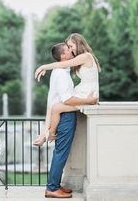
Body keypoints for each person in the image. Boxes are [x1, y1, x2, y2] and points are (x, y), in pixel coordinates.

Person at [38, 42, 97, 198]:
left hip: (64, 115)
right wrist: (88, 101)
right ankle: (52, 188)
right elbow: (67, 100)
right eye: (68, 49)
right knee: (61, 153)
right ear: (63, 56)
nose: (71, 51)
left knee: (61, 152)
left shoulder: (62, 71)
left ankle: (55, 185)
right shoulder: (61, 74)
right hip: (65, 117)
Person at [34, 33, 100, 146]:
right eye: (68, 47)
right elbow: (61, 63)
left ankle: (50, 134)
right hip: (82, 91)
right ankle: (44, 134)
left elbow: (65, 62)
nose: (70, 49)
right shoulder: (80, 58)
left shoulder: (86, 56)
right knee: (53, 106)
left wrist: (43, 67)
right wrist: (48, 68)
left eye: (71, 46)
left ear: (77, 43)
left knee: (56, 108)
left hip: (88, 94)